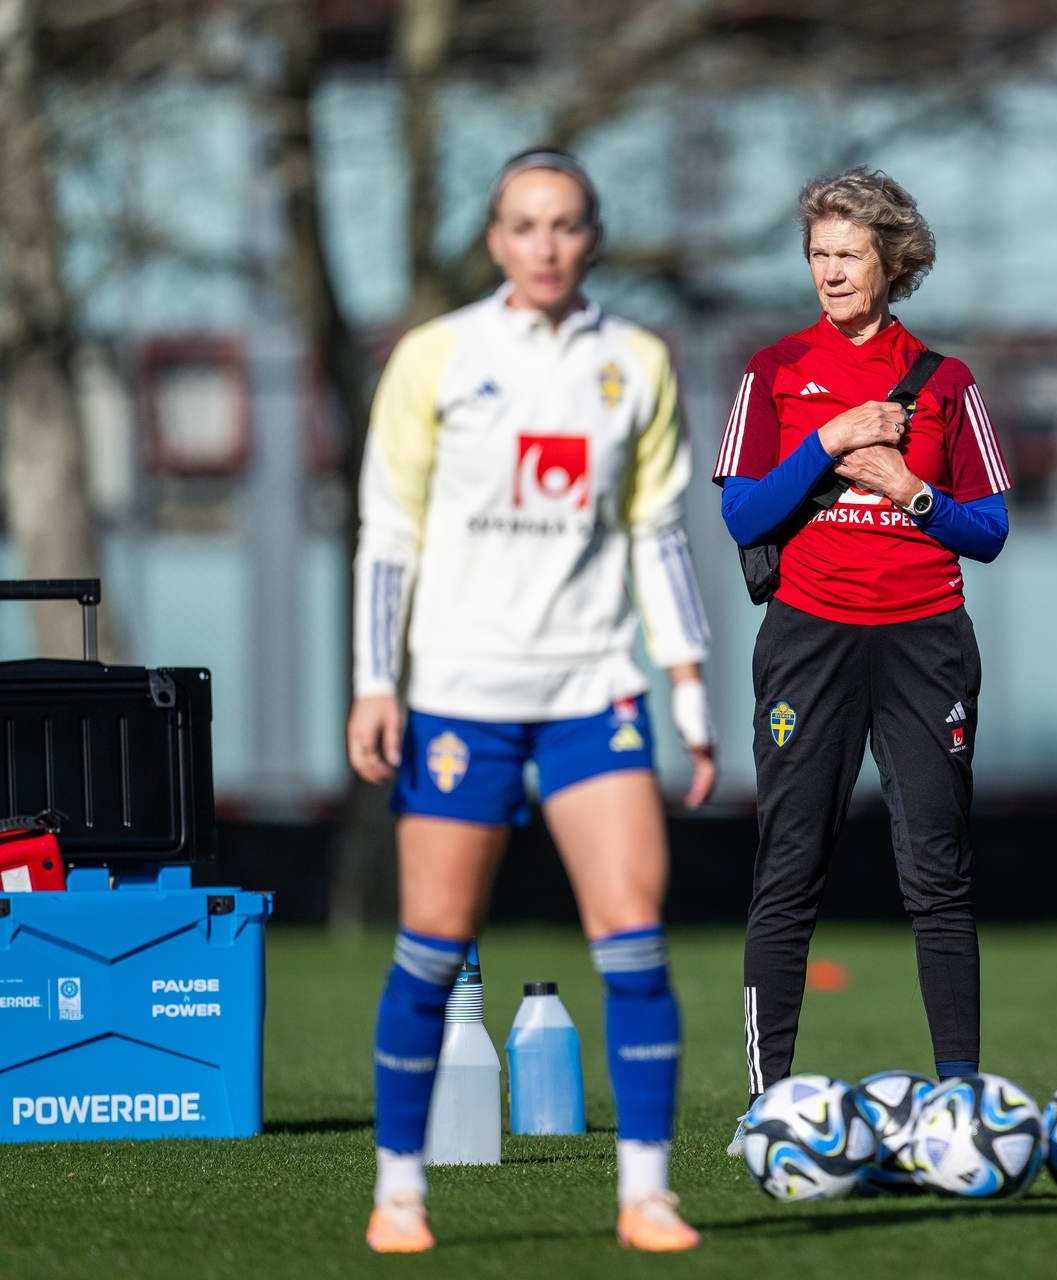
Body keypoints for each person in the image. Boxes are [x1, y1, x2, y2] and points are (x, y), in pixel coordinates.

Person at [348, 147, 716, 1253]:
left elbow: (658, 532)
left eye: (564, 225)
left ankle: (647, 1192)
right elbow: (389, 533)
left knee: (633, 938)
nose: (545, 245)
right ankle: (400, 1189)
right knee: (431, 943)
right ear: (497, 238)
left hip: (593, 688)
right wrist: (378, 681)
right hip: (460, 693)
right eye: (523, 225)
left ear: (591, 235)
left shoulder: (639, 361)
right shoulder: (436, 357)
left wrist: (687, 681)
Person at [712, 167, 1011, 1145]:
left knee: (938, 869)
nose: (830, 271)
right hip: (809, 638)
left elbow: (992, 527)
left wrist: (912, 491)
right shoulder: (772, 370)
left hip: (925, 639)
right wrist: (830, 440)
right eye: (817, 254)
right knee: (788, 864)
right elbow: (742, 513)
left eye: (848, 254)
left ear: (894, 261)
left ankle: (960, 1093)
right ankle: (767, 1098)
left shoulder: (949, 383)